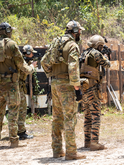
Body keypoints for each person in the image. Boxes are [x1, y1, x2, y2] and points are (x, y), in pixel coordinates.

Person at [41, 20, 86, 160]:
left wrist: (51, 75)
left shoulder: (56, 42)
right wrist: (77, 88)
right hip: (66, 86)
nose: (80, 34)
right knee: (69, 118)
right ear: (75, 31)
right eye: (79, 31)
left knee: (57, 118)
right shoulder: (72, 45)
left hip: (54, 84)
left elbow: (44, 61)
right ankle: (71, 152)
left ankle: (57, 150)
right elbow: (73, 68)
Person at [0, 22, 37, 148]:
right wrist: (31, 68)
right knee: (13, 111)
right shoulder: (11, 44)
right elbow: (22, 65)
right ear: (7, 31)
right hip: (11, 84)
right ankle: (14, 140)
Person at [80, 35, 111, 151]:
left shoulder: (84, 54)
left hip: (84, 88)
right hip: (93, 88)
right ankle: (94, 142)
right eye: (101, 46)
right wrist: (106, 57)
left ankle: (87, 142)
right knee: (96, 116)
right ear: (98, 45)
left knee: (87, 117)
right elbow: (107, 64)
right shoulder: (96, 54)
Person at [17, 45, 37, 140]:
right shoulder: (22, 61)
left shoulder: (20, 59)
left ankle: (17, 131)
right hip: (18, 87)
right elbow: (27, 71)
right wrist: (32, 66)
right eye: (32, 53)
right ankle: (21, 132)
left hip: (16, 86)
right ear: (28, 53)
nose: (33, 54)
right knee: (22, 109)